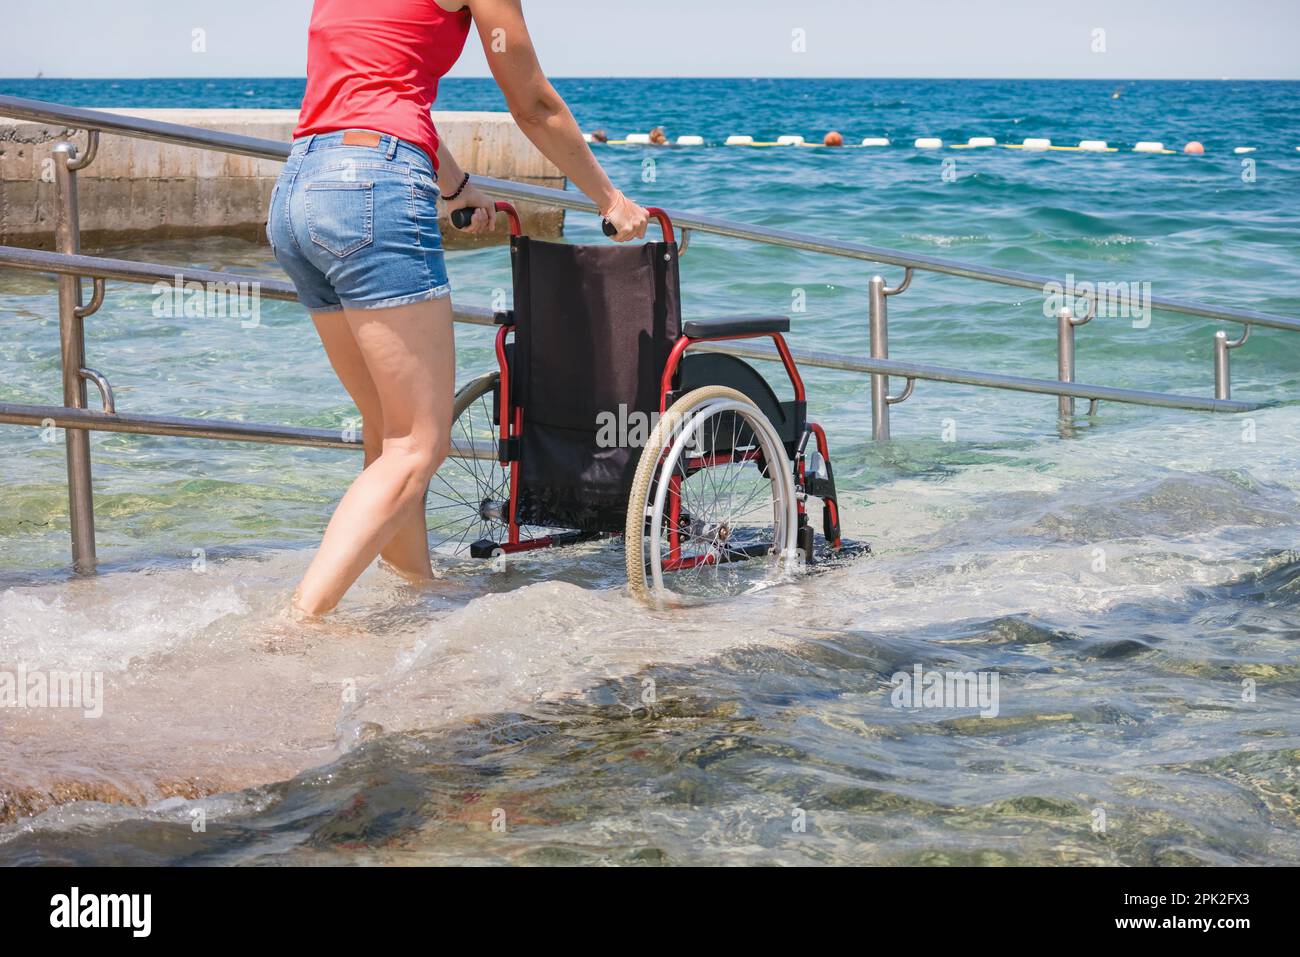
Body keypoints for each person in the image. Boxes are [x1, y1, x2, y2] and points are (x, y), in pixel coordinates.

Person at [267, 0, 650, 617]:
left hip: (300, 188)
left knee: (388, 434)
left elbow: (373, 89)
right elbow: (532, 104)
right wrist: (610, 199)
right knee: (419, 445)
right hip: (373, 189)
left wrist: (451, 183)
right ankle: (299, 622)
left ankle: (417, 588)